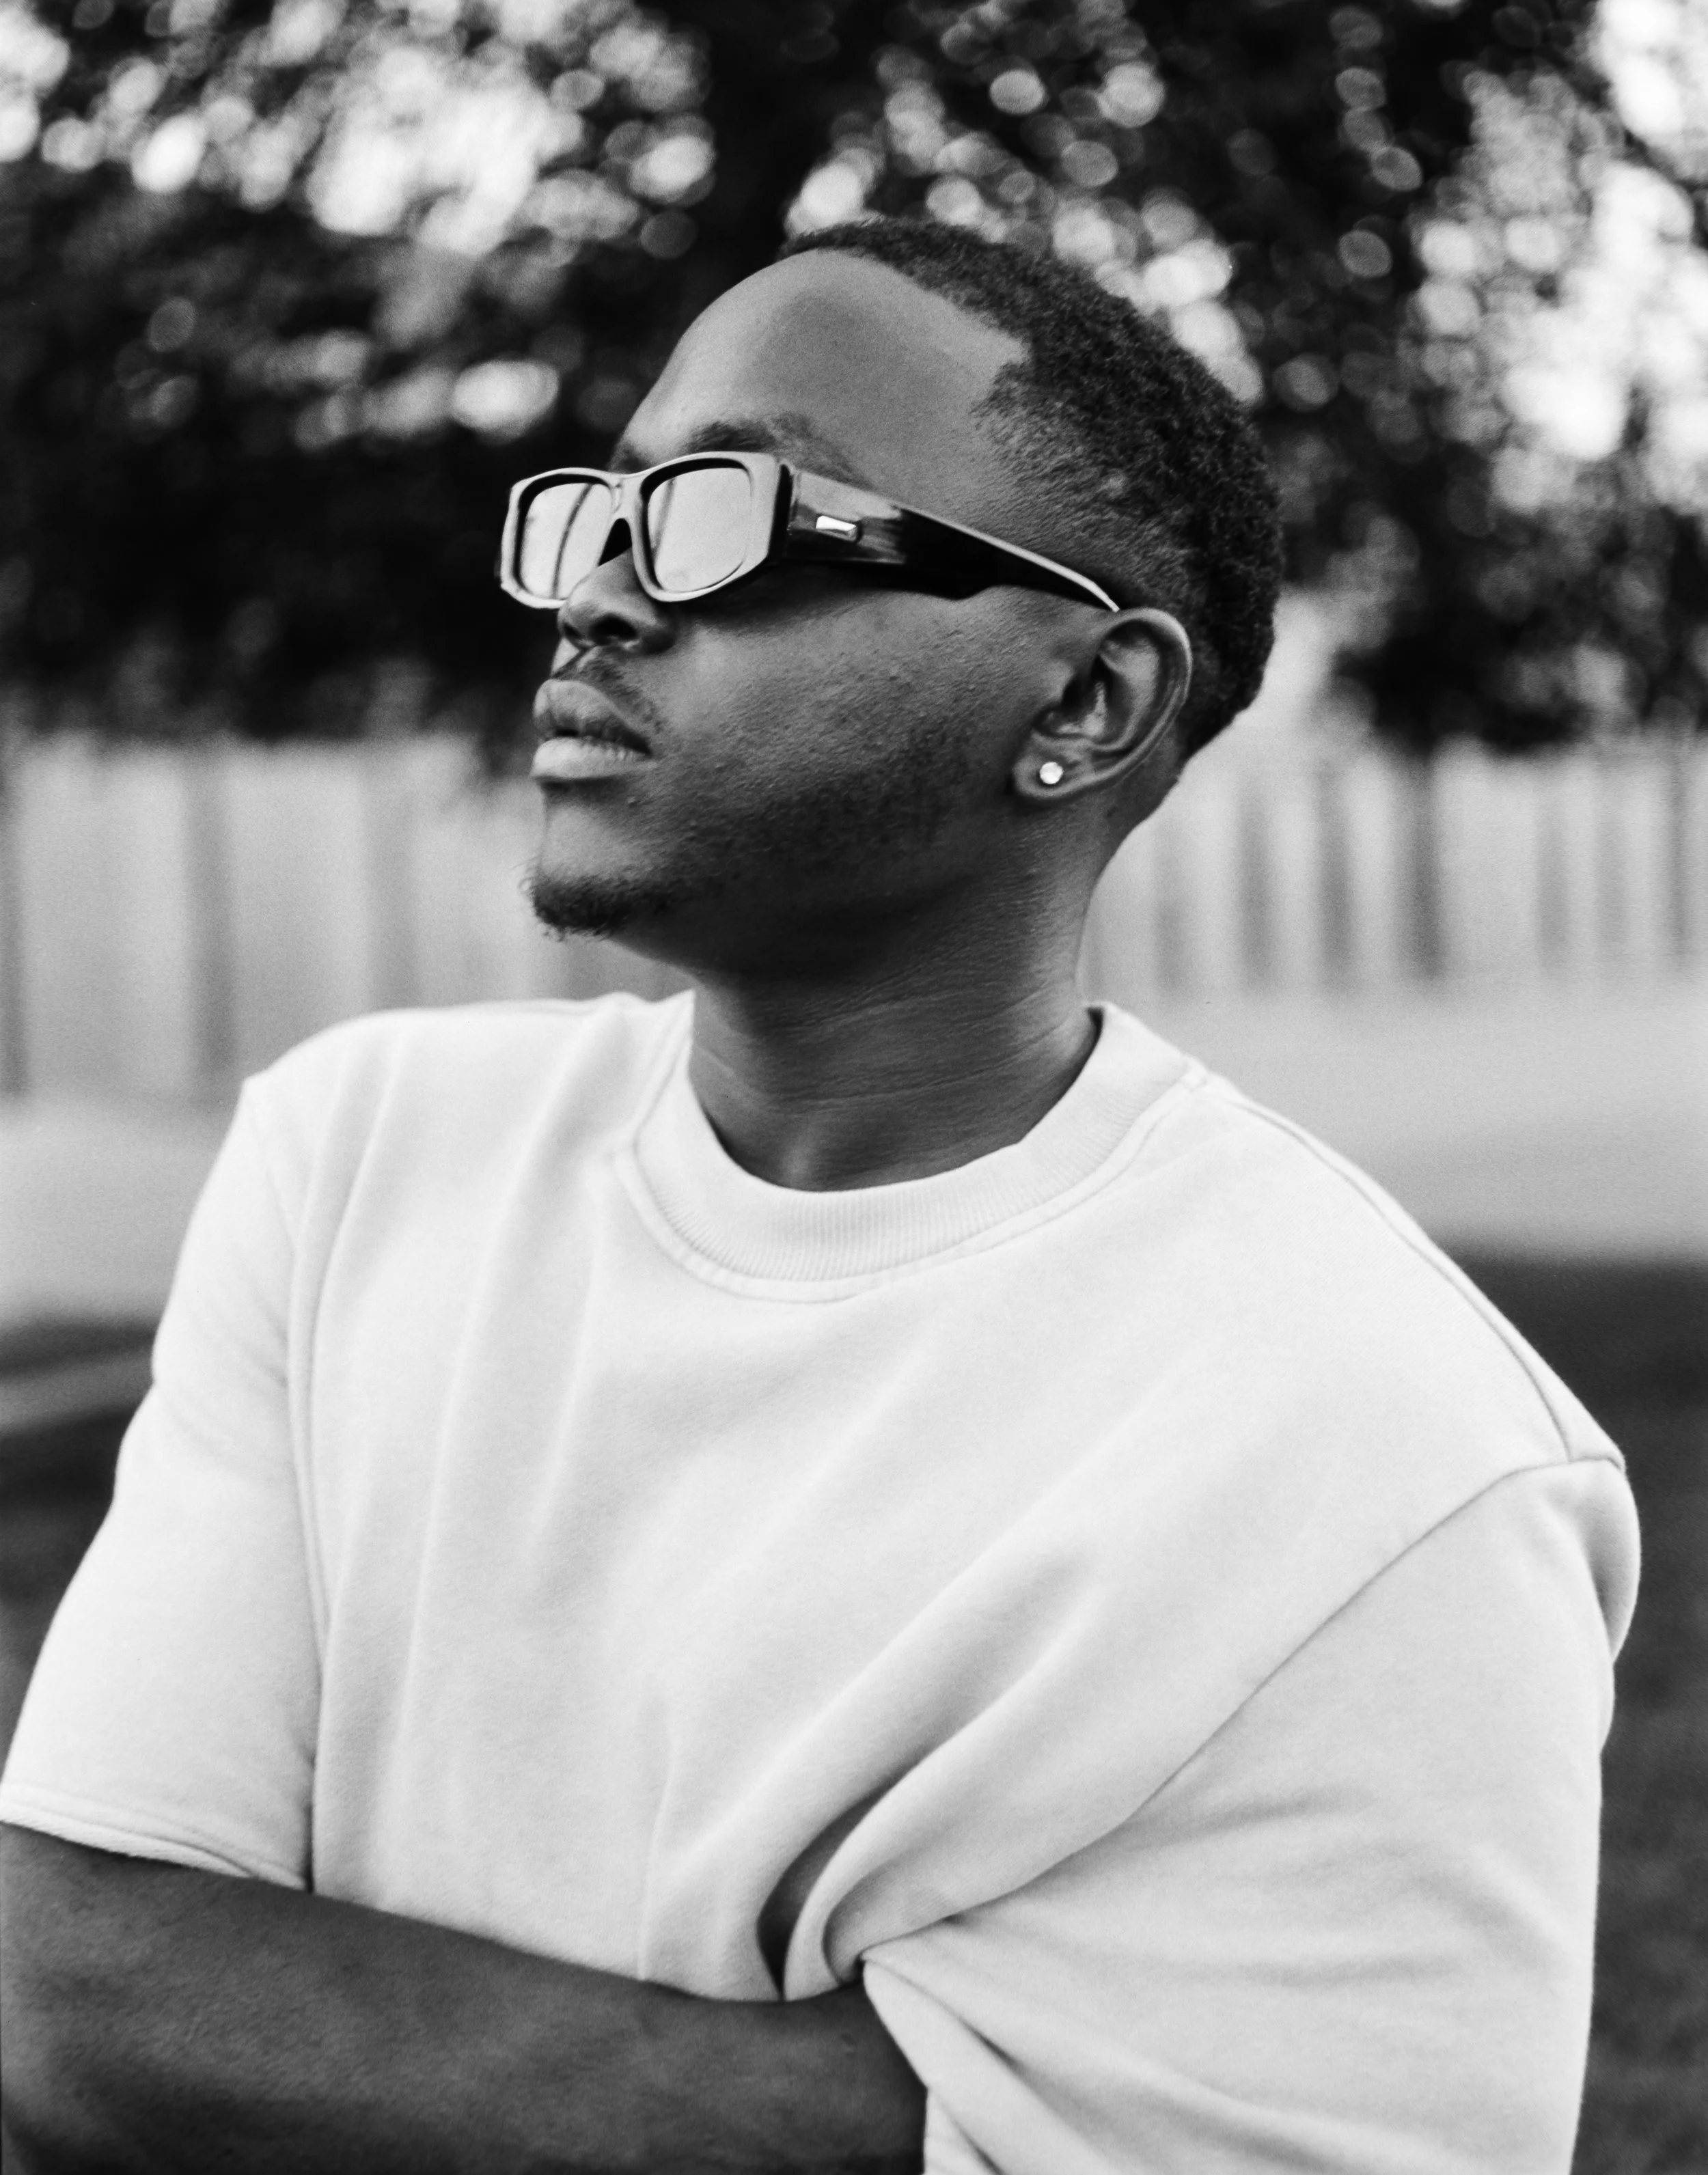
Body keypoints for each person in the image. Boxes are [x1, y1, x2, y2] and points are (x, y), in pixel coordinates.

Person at [1, 219, 1638, 2175]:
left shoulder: (1397, 1470)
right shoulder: (360, 1156)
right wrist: (918, 2111)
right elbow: (79, 1999)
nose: (598, 593)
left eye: (726, 516)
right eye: (596, 511)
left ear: (1087, 702)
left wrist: (292, 2025)